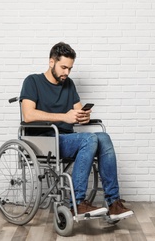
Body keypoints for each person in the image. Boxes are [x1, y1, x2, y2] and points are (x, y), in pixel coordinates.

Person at [19, 42, 134, 220]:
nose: (67, 73)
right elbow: (28, 115)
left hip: (67, 138)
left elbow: (77, 110)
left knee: (103, 137)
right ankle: (78, 203)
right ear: (51, 62)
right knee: (89, 139)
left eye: (70, 69)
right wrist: (64, 117)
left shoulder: (69, 84)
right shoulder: (32, 81)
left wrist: (83, 117)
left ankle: (113, 203)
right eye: (63, 67)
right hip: (45, 140)